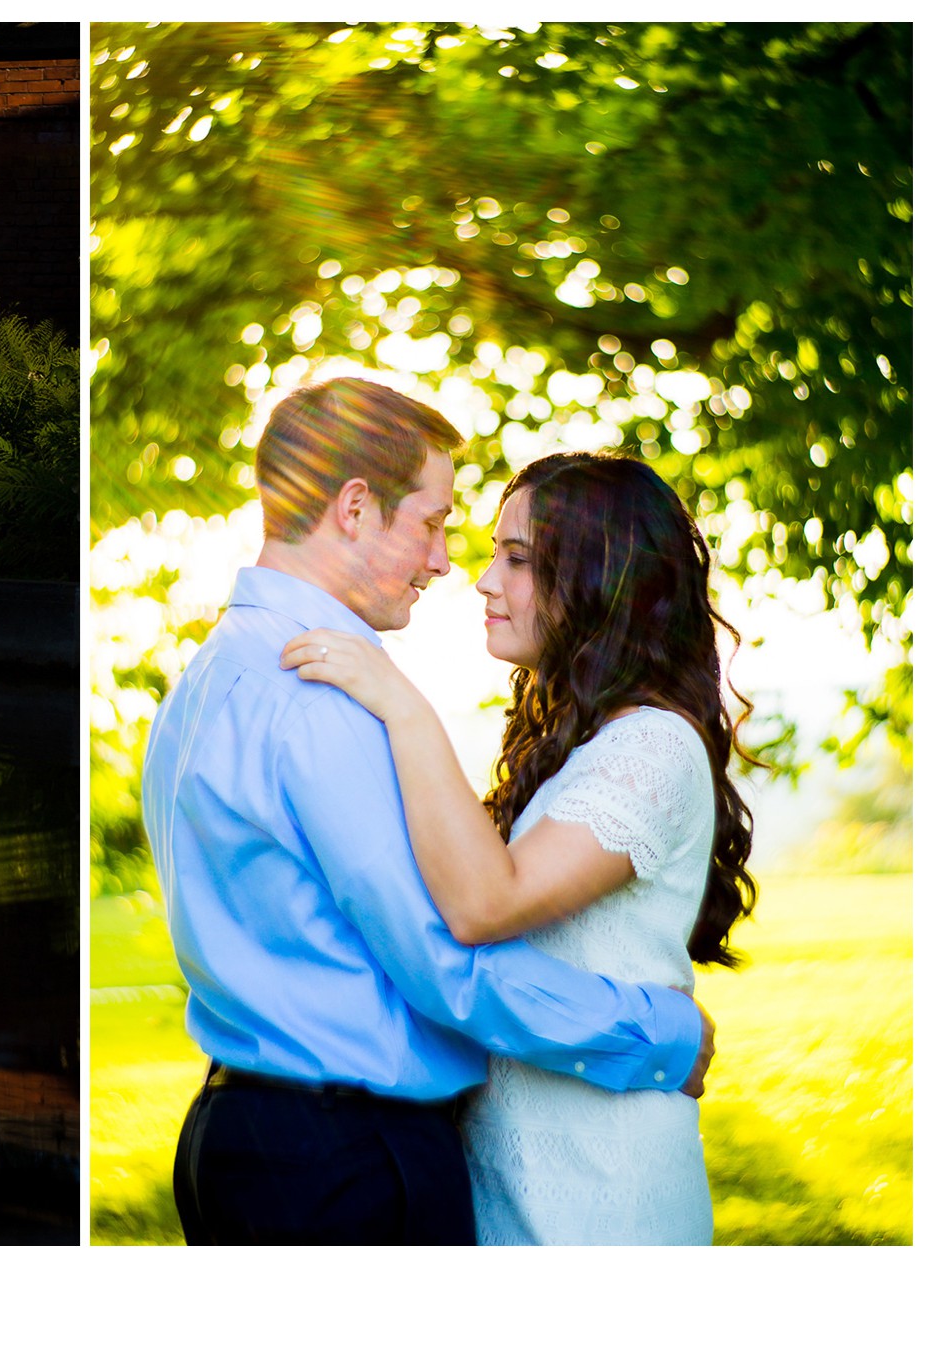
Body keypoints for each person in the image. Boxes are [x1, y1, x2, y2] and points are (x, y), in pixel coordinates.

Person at [141, 377, 714, 1245]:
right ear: (356, 508)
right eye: (434, 523)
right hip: (343, 1160)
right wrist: (664, 1030)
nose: (448, 562)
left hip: (246, 1135)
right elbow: (452, 962)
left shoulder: (212, 675)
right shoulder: (325, 698)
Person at [279, 450, 755, 1244]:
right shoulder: (577, 746)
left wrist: (402, 705)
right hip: (511, 1185)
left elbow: (484, 903)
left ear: (603, 579)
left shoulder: (656, 746)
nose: (483, 579)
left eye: (519, 558)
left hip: (604, 1194)